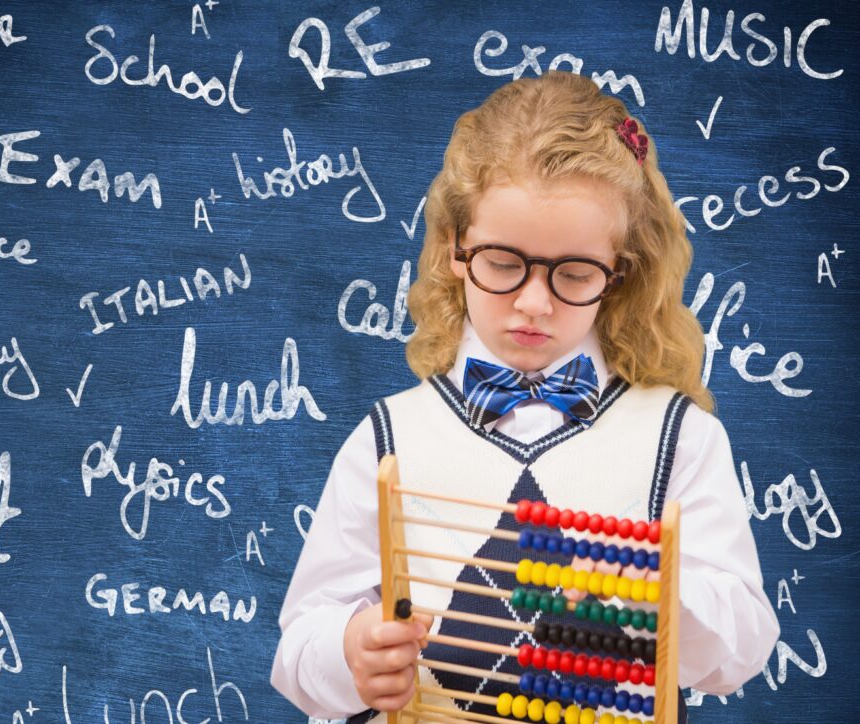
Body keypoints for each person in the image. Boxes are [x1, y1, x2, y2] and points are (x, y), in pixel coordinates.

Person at [270, 71, 780, 724]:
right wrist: (347, 653)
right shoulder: (387, 437)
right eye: (504, 263)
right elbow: (299, 647)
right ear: (456, 249)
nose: (534, 303)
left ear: (618, 271)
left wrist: (659, 597)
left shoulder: (679, 438)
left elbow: (744, 645)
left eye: (574, 273)